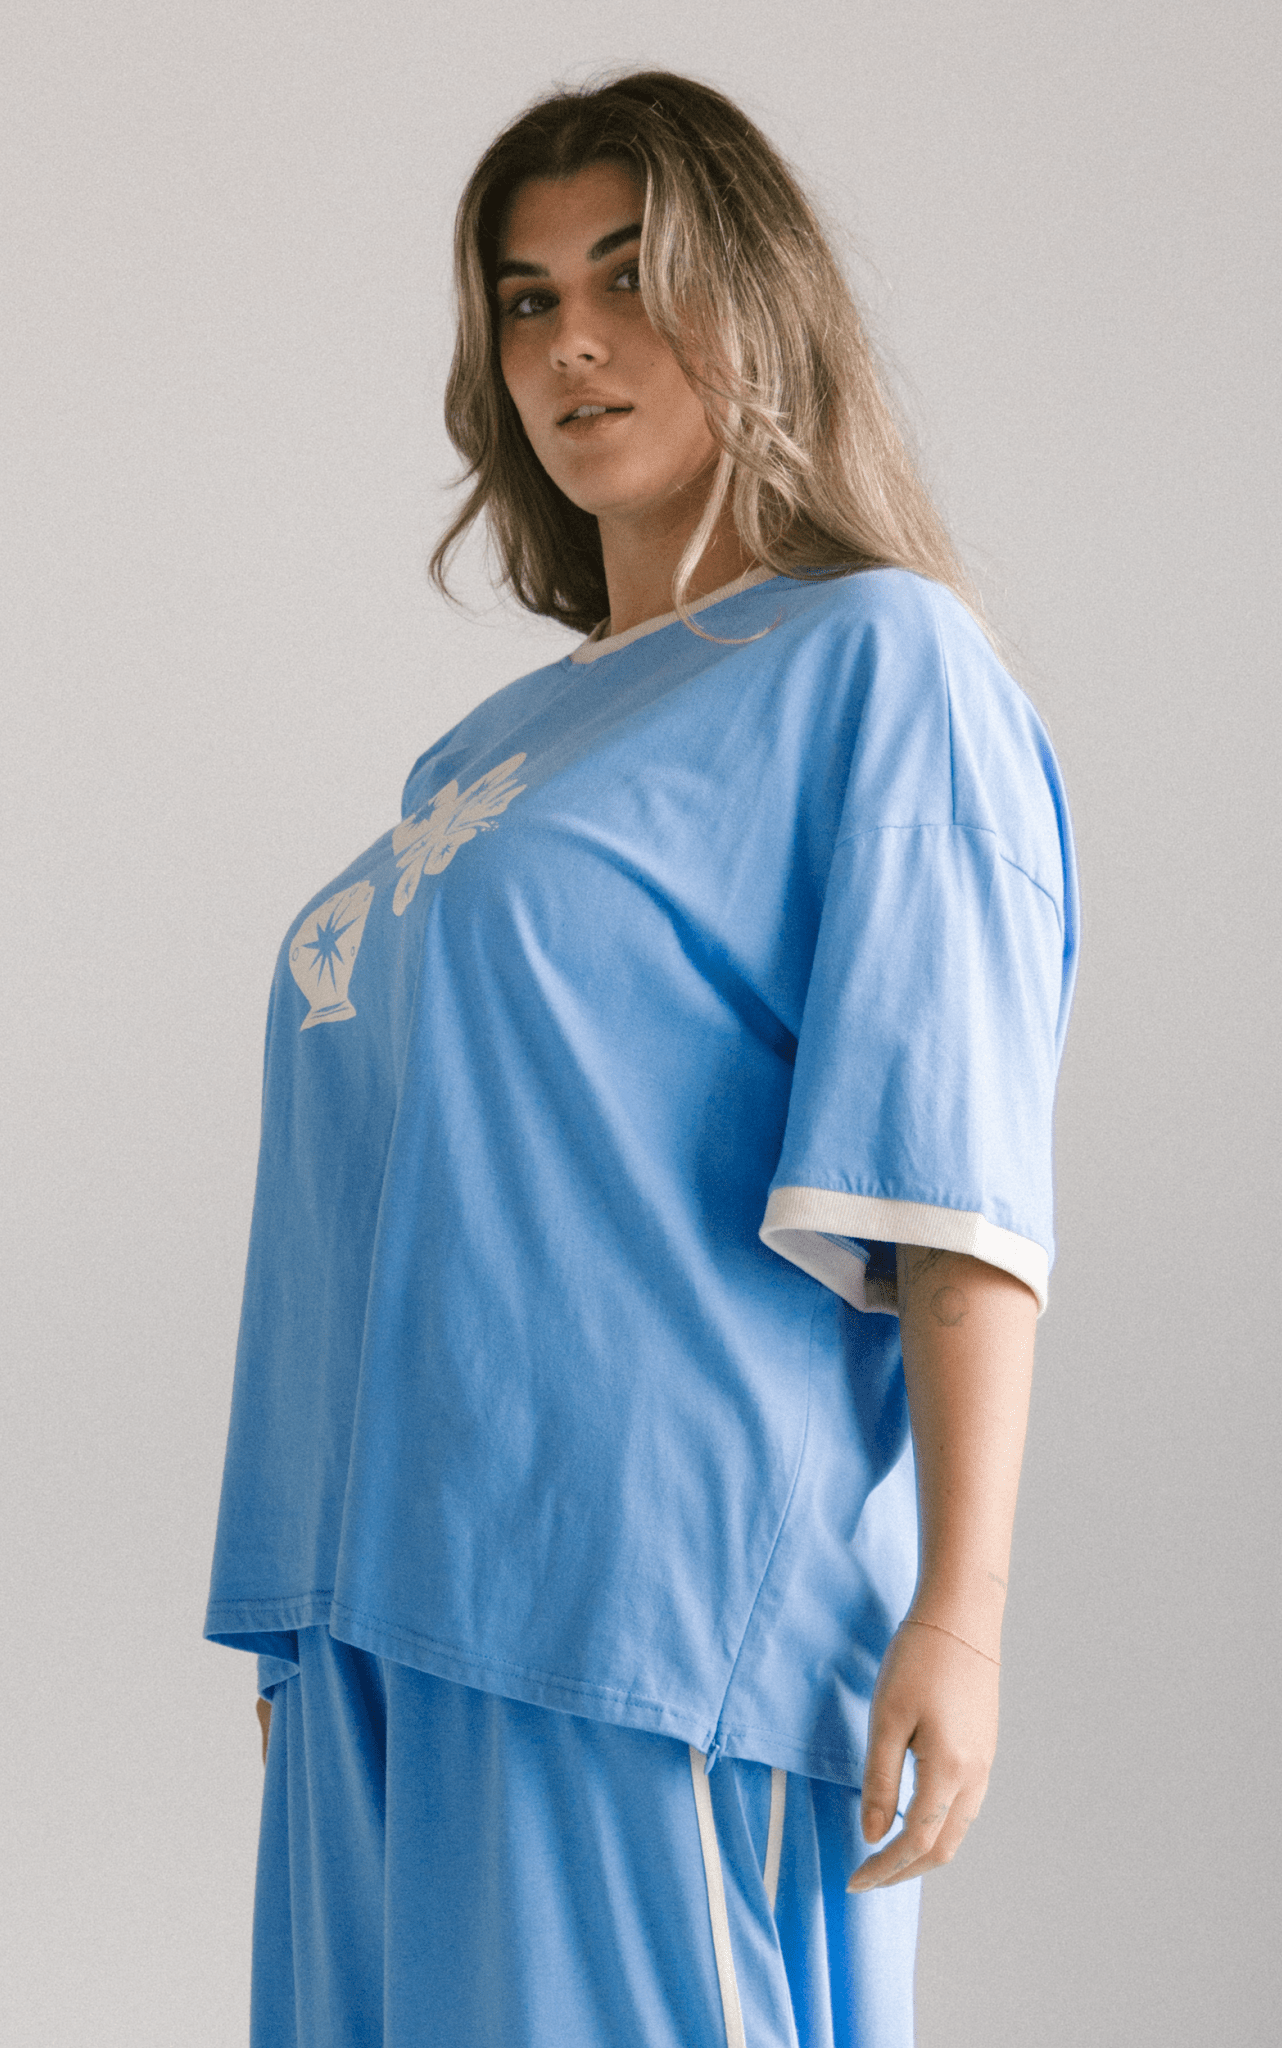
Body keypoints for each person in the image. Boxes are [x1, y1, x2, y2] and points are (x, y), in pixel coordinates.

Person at [206, 67, 1078, 2048]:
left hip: (645, 1612)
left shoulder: (879, 661)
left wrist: (960, 1612)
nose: (571, 342)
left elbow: (953, 1188)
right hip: (378, 1629)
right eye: (526, 300)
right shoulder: (487, 754)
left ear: (753, 304)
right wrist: (309, 1620)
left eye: (629, 278)